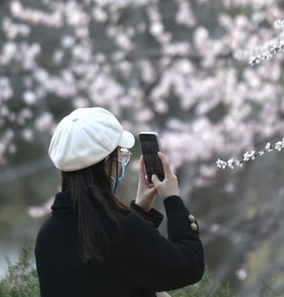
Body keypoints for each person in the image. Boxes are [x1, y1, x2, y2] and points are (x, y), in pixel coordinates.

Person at [35, 107, 204, 297]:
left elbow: (110, 274)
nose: (122, 162)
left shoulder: (47, 235)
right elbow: (190, 265)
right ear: (107, 163)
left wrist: (140, 212)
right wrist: (173, 200)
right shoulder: (121, 230)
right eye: (121, 155)